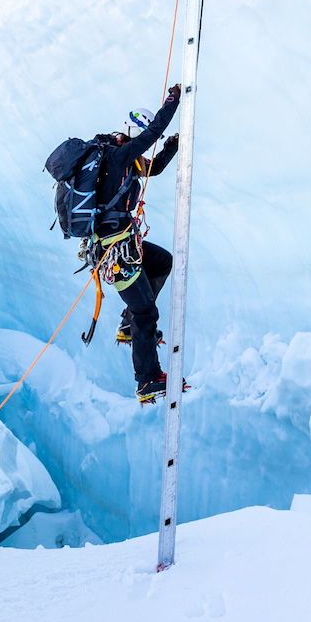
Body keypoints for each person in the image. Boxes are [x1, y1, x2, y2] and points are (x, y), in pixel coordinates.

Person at [89, 83, 181, 401]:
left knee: (162, 261)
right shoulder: (119, 157)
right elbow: (152, 132)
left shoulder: (124, 161)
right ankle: (147, 379)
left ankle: (129, 324)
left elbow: (151, 169)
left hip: (127, 246)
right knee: (147, 314)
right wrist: (172, 101)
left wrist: (173, 146)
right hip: (116, 254)